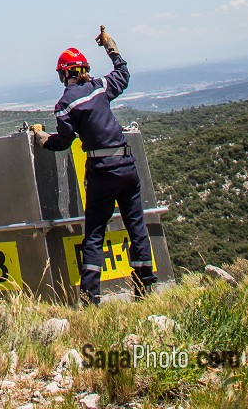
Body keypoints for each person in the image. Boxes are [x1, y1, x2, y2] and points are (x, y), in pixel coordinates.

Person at [32, 25, 157, 305]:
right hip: (127, 164)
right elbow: (123, 76)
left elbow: (63, 141)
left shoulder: (66, 103)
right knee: (136, 227)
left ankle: (90, 295)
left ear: (66, 73)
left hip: (102, 171)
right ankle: (145, 288)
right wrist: (110, 47)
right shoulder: (100, 87)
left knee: (95, 234)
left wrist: (41, 139)